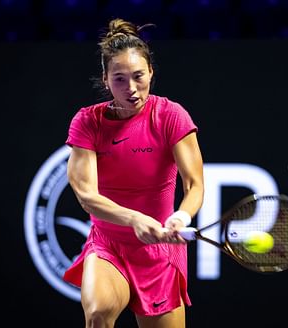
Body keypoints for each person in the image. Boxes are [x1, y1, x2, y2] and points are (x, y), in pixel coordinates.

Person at [62, 17, 204, 328]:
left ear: (151, 72)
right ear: (105, 79)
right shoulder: (88, 122)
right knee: (98, 313)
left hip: (159, 253)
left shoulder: (171, 116)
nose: (132, 88)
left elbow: (194, 184)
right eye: (119, 79)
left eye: (139, 76)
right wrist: (133, 219)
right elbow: (87, 195)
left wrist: (181, 217)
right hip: (108, 243)